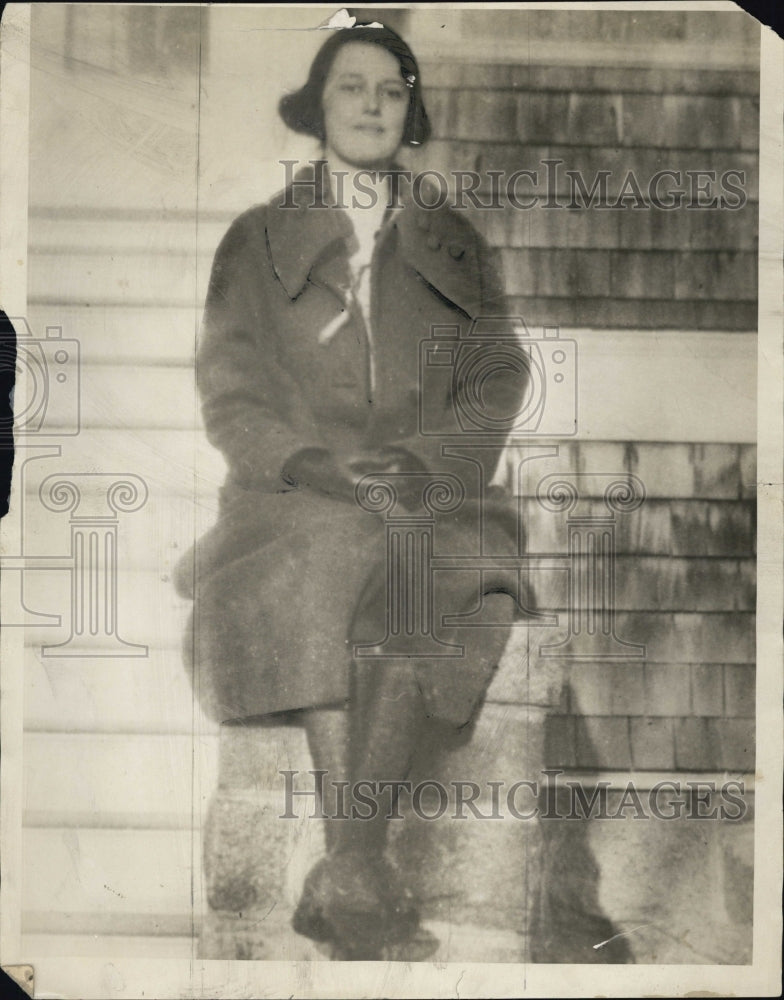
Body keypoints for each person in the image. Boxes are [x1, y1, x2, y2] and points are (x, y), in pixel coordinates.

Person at [175, 23, 530, 960]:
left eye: (391, 90)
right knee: (342, 555)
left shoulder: (455, 245)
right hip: (293, 504)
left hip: (434, 498)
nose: (372, 105)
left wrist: (428, 460)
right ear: (318, 109)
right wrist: (314, 465)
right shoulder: (255, 242)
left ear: (411, 113)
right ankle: (365, 868)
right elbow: (230, 390)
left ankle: (348, 872)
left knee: (415, 562)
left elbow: (497, 376)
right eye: (350, 88)